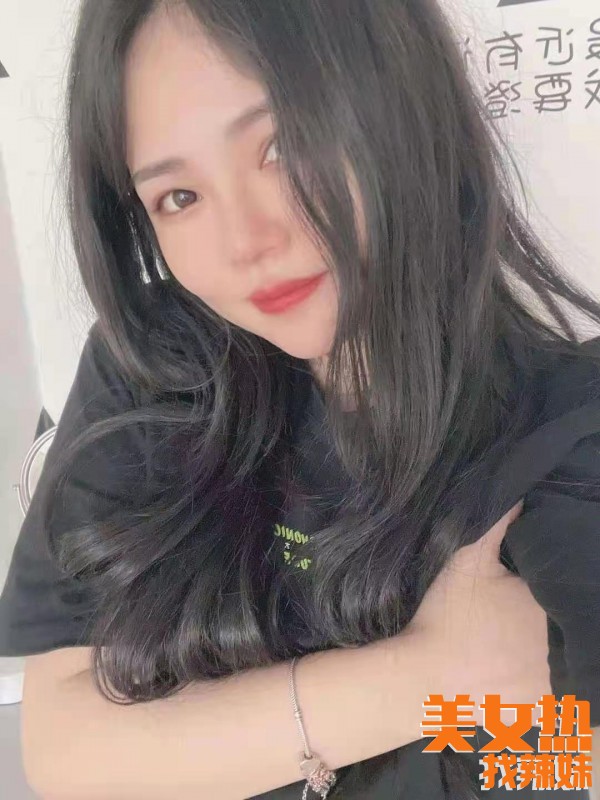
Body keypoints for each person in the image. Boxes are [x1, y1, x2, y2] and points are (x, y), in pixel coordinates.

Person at [0, 1, 599, 798]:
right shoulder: (153, 365)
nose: (246, 242)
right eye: (178, 196)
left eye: (282, 146)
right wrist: (430, 675)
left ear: (399, 105)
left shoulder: (565, 429)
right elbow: (66, 755)